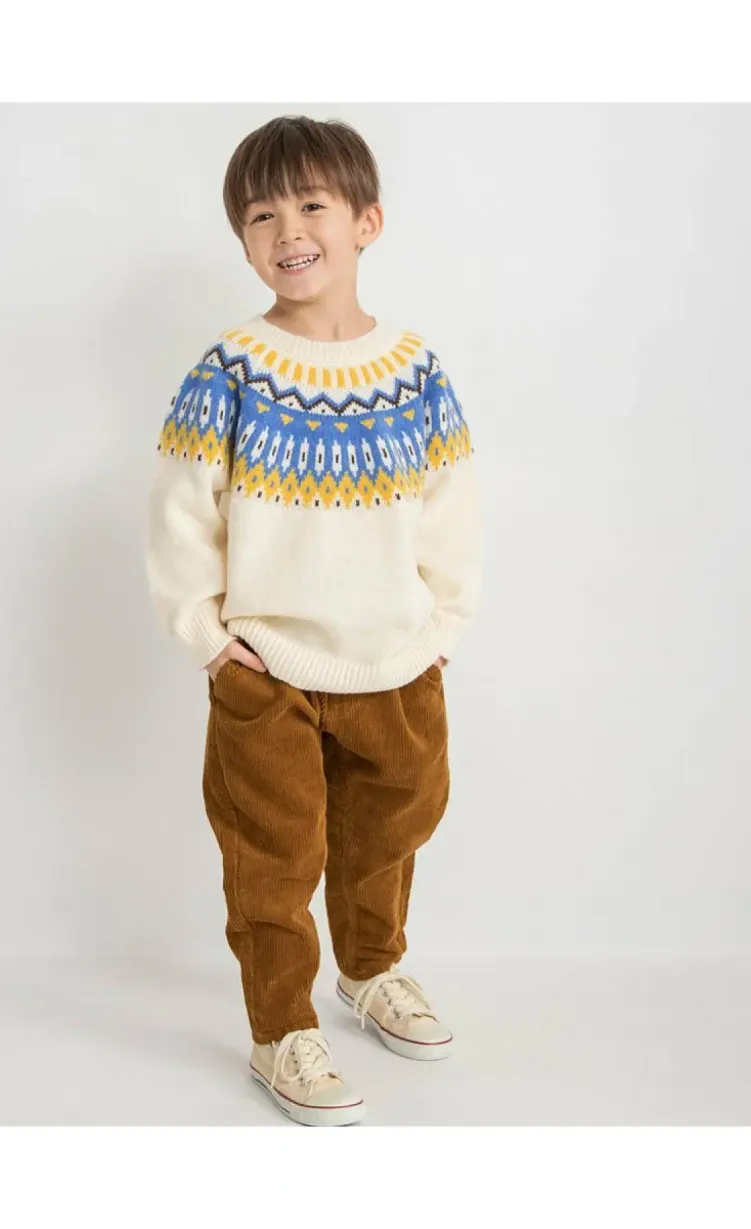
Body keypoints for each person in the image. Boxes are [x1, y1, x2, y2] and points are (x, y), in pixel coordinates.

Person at [145, 114, 482, 1126]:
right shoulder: (231, 369)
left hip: (396, 661)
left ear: (366, 221)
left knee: (392, 830)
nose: (287, 230)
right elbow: (180, 509)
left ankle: (370, 969)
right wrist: (209, 640)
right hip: (269, 667)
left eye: (311, 205)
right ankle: (280, 1026)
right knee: (271, 858)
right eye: (260, 215)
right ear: (243, 241)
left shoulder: (415, 369)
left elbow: (449, 509)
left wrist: (440, 629)